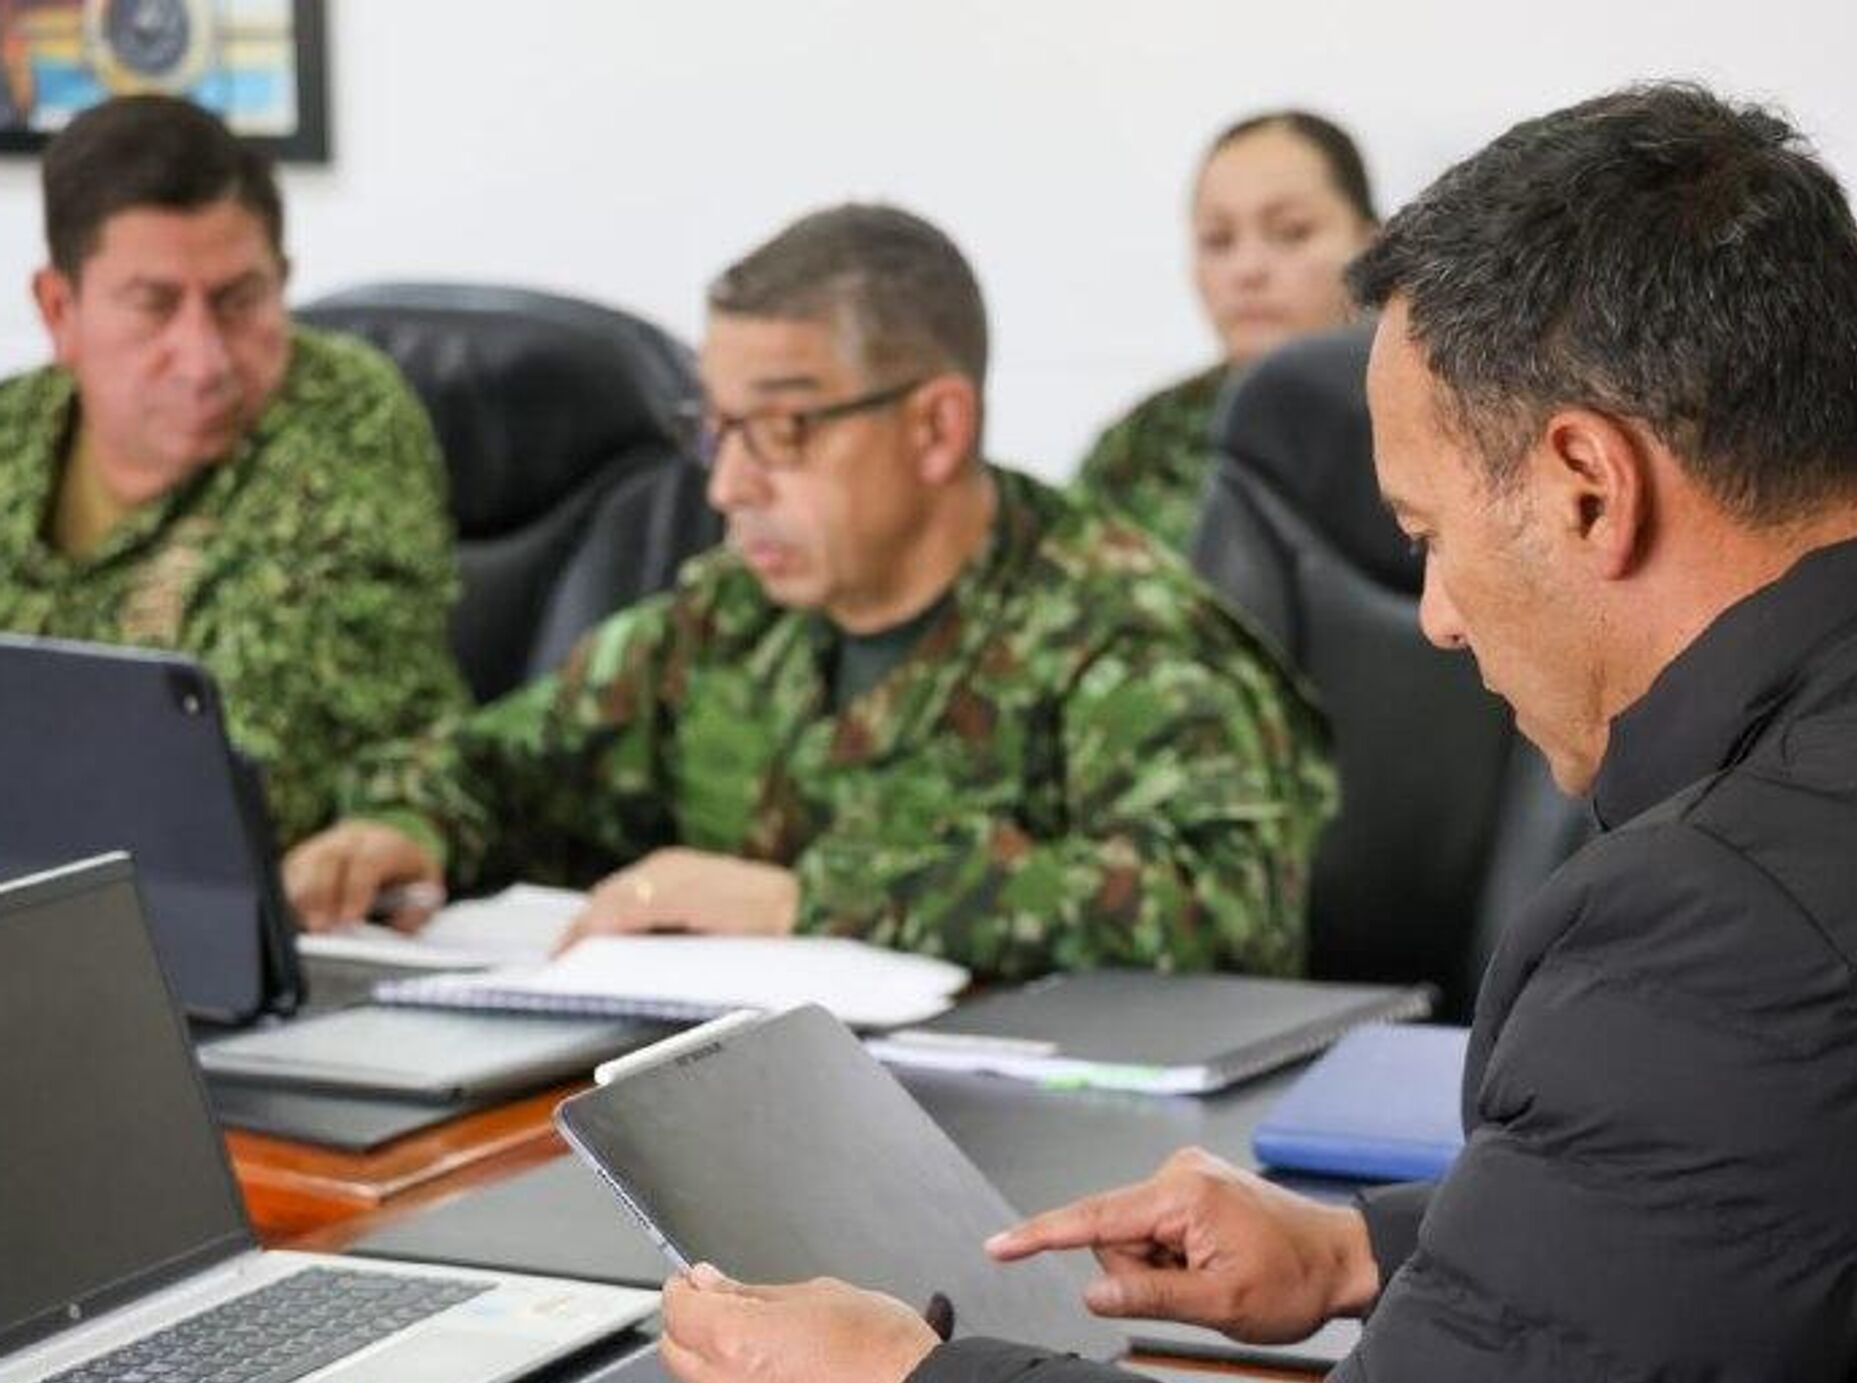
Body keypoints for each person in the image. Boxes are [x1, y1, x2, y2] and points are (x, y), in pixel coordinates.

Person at [657, 84, 1857, 1383]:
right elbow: (1782, 1174)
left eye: (1427, 536)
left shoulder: (1723, 923)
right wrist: (1365, 1248)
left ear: (1588, 487)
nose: (1436, 617)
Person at [284, 203, 1333, 978]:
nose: (730, 486)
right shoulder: (733, 614)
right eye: (717, 429)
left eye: (783, 430)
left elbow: (1222, 910)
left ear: (936, 427)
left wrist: (806, 901)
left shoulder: (1125, 632)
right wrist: (406, 825)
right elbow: (507, 762)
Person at [0, 95, 466, 846]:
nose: (204, 359)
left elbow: (256, 755)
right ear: (60, 310)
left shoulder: (344, 416)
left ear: (283, 279)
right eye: (154, 306)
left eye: (239, 300)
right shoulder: (14, 431)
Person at [1076, 111, 1378, 554]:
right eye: (1218, 240)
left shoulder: (1439, 418)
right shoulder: (1142, 448)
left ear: (1371, 247)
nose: (1247, 269)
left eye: (1291, 233)